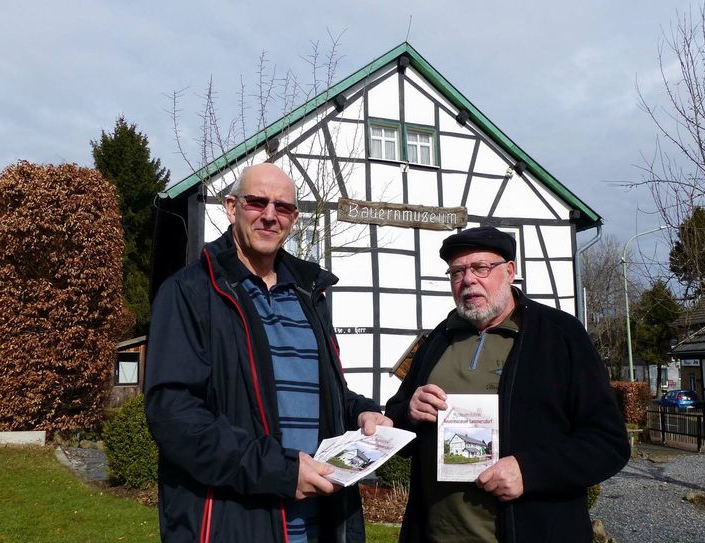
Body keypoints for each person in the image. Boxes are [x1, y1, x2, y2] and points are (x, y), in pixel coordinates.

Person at [145, 163, 391, 543]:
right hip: (234, 522)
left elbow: (327, 392)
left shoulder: (310, 295)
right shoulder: (190, 292)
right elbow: (174, 415)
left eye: (284, 207)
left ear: (294, 218)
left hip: (322, 523)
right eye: (257, 202)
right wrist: (278, 471)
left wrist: (360, 410)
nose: (270, 216)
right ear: (231, 207)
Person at [385, 226, 630, 542]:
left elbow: (608, 443)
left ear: (510, 271)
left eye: (481, 268)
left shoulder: (559, 336)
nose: (468, 280)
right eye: (457, 272)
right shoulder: (438, 340)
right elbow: (396, 420)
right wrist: (409, 411)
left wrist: (530, 471)